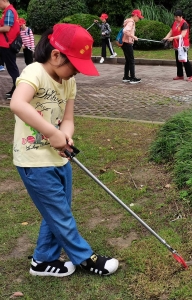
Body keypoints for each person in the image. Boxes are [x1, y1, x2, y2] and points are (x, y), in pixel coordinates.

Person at [10, 23, 119, 278]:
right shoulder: (34, 72)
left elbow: (67, 118)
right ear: (56, 55)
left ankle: (42, 261)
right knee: (60, 215)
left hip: (58, 158)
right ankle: (85, 258)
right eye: (75, 67)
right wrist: (52, 133)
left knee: (58, 211)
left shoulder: (68, 83)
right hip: (33, 160)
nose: (76, 74)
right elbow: (17, 103)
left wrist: (65, 134)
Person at [163, 9, 192, 82]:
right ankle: (180, 75)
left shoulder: (184, 24)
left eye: (176, 17)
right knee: (178, 60)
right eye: (175, 17)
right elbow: (171, 31)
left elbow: (183, 35)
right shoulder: (175, 23)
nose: (175, 18)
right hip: (176, 44)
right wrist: (166, 38)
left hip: (183, 45)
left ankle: (191, 75)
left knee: (185, 60)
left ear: (179, 17)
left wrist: (172, 38)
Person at [0, 0, 20, 100]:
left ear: (4, 0)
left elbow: (6, 28)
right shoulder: (9, 11)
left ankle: (18, 90)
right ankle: (16, 89)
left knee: (12, 68)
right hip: (6, 44)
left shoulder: (9, 11)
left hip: (7, 45)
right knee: (12, 67)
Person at [121, 9, 143, 84]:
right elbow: (125, 31)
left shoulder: (128, 21)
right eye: (139, 17)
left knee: (128, 60)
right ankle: (133, 78)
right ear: (135, 15)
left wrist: (132, 36)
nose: (139, 19)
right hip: (127, 43)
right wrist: (133, 36)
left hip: (125, 43)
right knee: (131, 60)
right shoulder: (131, 22)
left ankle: (126, 77)